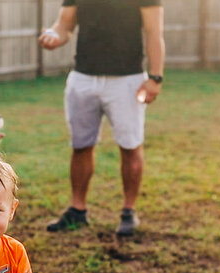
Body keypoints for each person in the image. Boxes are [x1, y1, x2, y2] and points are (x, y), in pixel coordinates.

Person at [39, 0, 165, 236]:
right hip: (83, 79)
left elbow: (153, 32)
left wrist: (155, 77)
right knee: (81, 145)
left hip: (127, 80)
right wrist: (54, 36)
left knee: (130, 146)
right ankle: (77, 210)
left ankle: (129, 211)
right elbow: (64, 25)